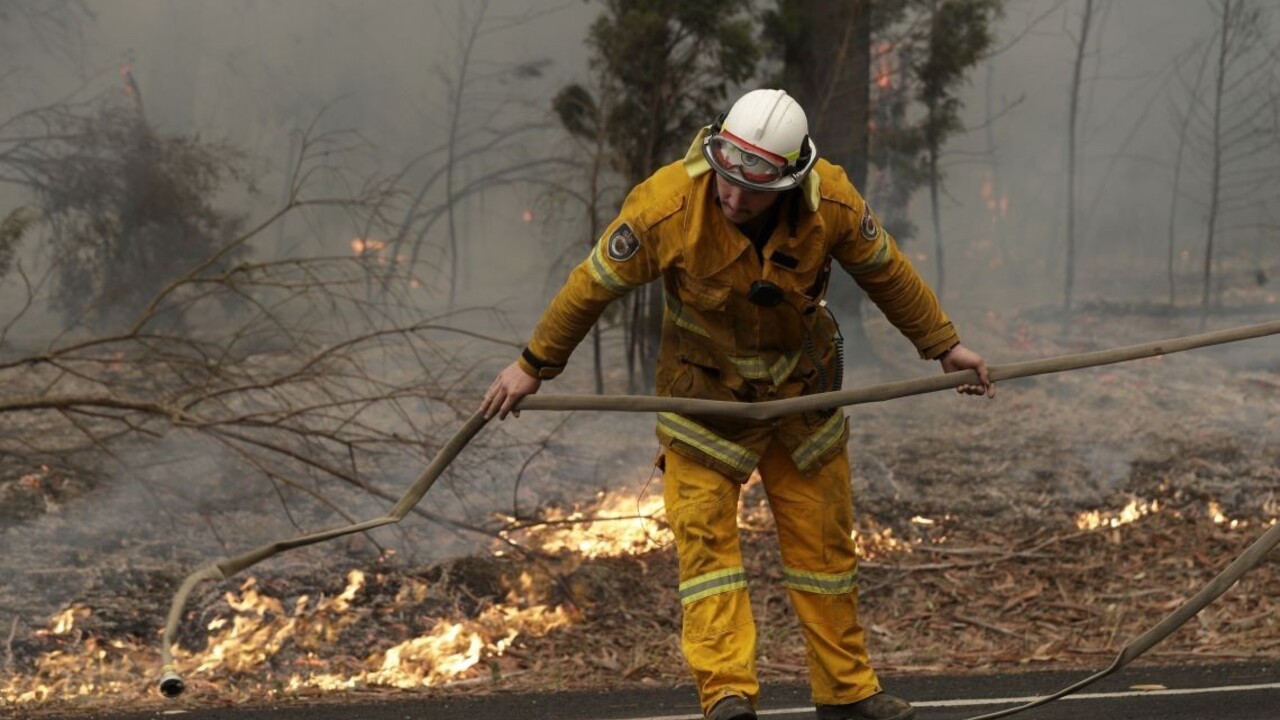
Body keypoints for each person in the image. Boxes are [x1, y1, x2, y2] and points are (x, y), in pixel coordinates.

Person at [480, 89, 994, 720]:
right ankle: (726, 696)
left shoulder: (830, 200)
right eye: (726, 176)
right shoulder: (668, 206)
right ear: (715, 153)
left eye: (753, 187)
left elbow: (886, 271)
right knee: (708, 555)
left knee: (825, 553)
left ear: (790, 178)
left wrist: (945, 346)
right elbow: (591, 286)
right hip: (704, 405)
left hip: (802, 400)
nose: (734, 197)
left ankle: (847, 692)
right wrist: (534, 364)